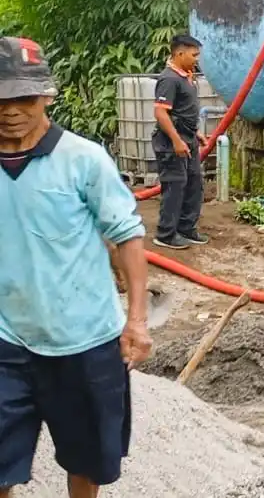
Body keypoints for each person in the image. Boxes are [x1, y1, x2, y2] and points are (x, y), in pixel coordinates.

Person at [0, 36, 152, 498]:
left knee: (86, 463)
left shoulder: (83, 159)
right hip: (7, 339)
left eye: (24, 97)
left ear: (47, 94)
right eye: (1, 98)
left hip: (84, 340)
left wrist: (137, 321)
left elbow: (127, 236)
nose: (10, 110)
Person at [151, 34, 209, 250]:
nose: (196, 59)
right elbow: (161, 113)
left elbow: (186, 111)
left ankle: (186, 228)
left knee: (194, 183)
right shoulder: (169, 79)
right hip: (170, 142)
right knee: (175, 186)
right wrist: (176, 140)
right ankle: (165, 234)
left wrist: (196, 133)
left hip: (188, 139)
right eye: (194, 55)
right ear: (179, 53)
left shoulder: (186, 76)